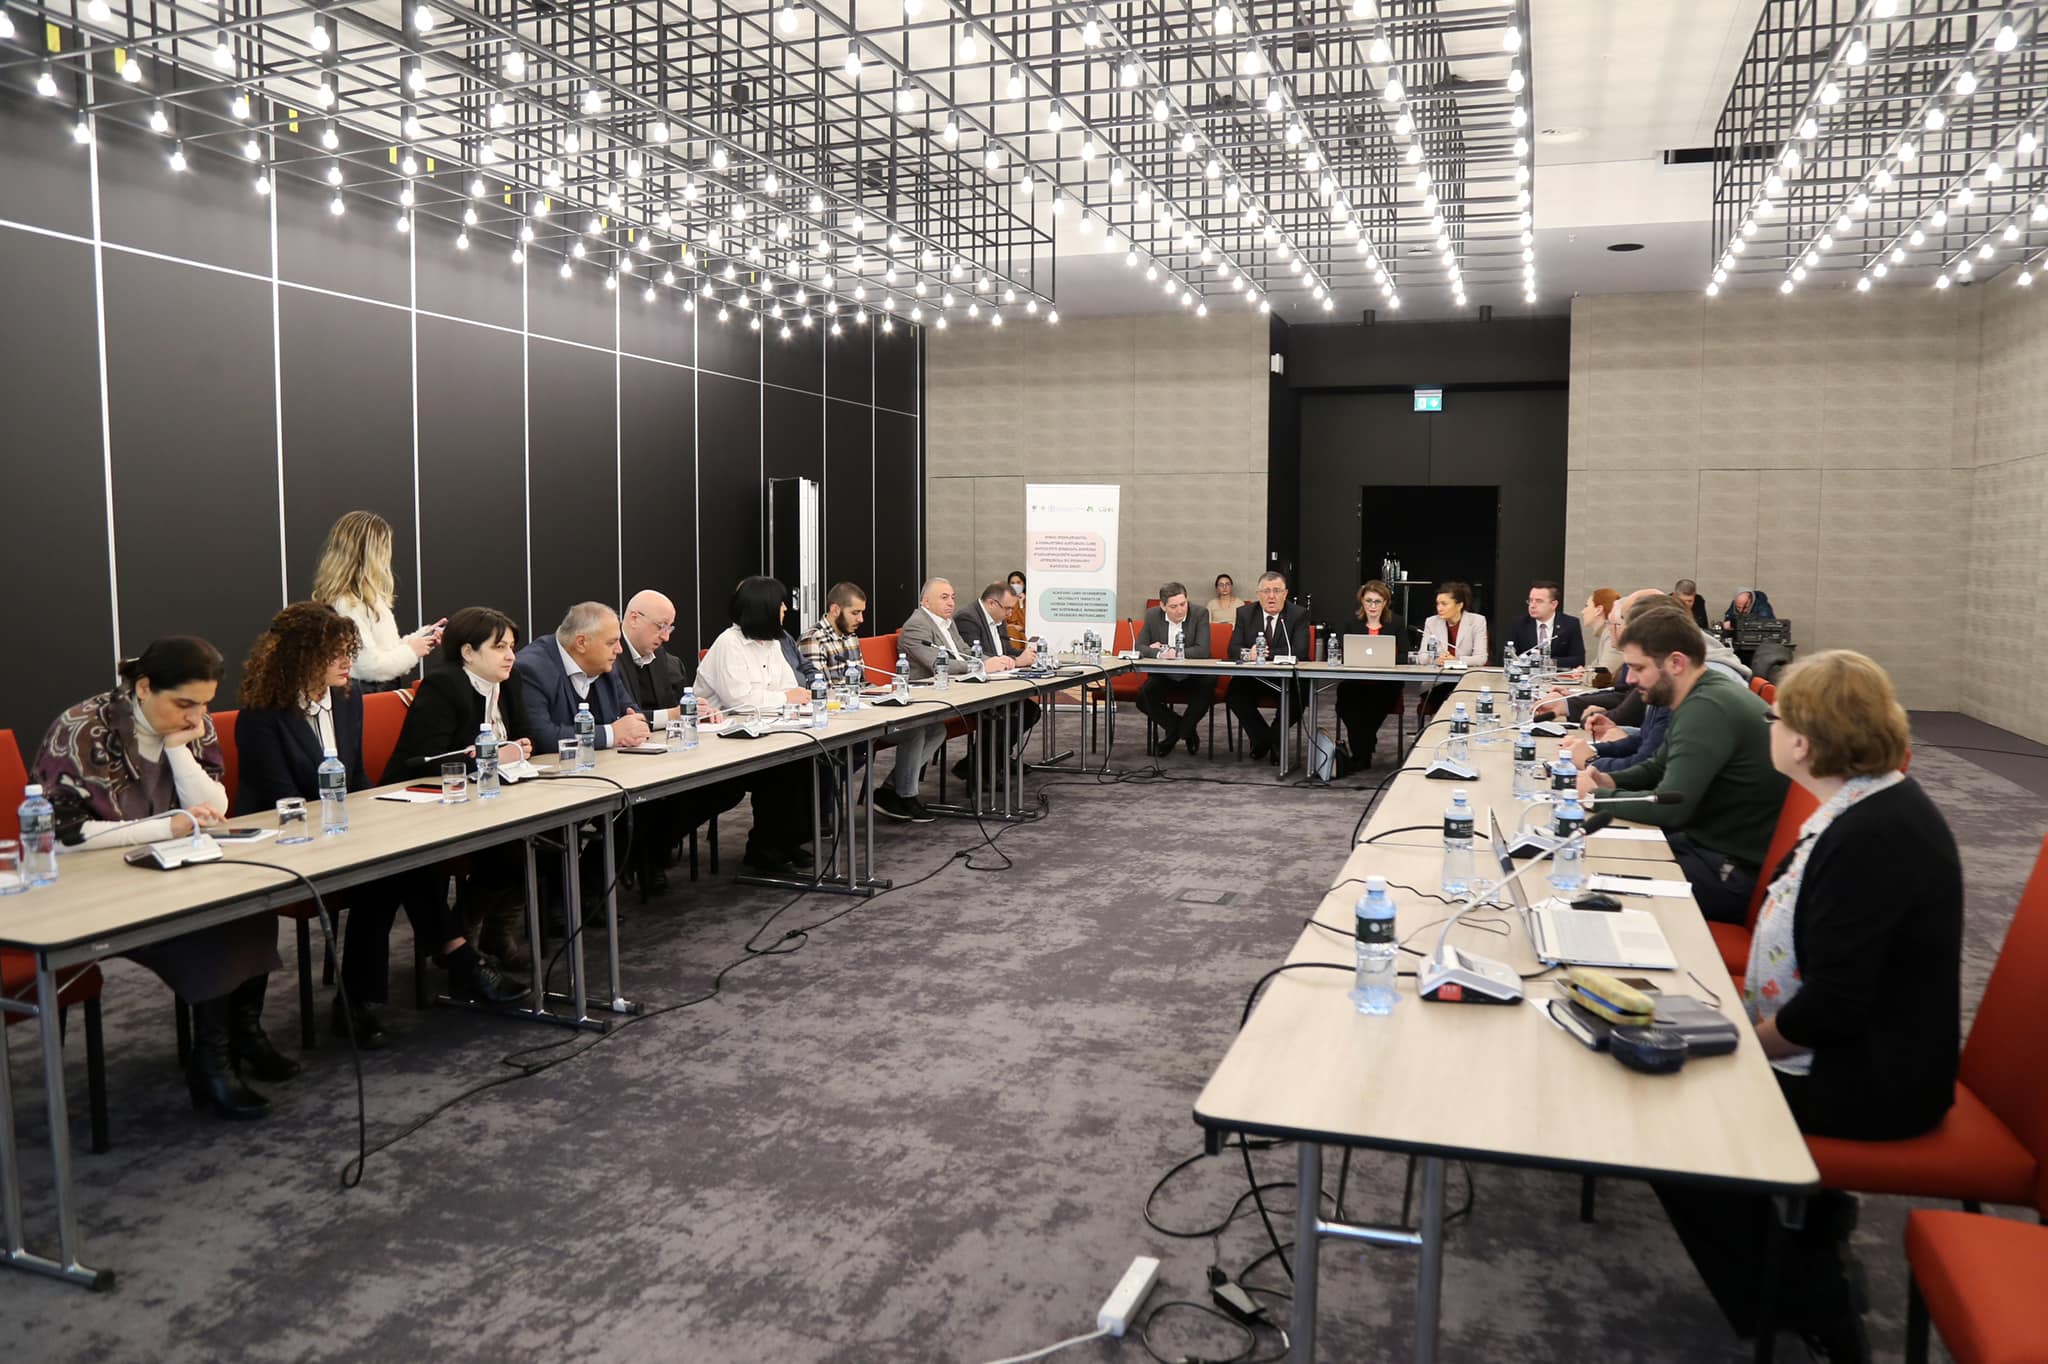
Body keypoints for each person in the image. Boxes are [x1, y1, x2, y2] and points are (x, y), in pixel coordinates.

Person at [1656, 650, 1958, 1364]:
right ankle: (1813, 1233)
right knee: (1672, 1053)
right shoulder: (1863, 807)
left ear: (1803, 742)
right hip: (1861, 1048)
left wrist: (1734, 1042)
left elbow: (1832, 1008)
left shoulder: (1872, 837)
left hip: (1875, 1078)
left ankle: (1812, 1300)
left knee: (1670, 1120)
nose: (1768, 725)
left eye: (1777, 717)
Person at [233, 603, 524, 1049]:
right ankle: (451, 959)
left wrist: (376, 817)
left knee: (393, 866)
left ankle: (360, 1000)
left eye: (348, 652)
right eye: (334, 654)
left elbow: (357, 780)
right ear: (300, 657)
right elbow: (282, 796)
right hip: (286, 837)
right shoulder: (262, 715)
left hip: (345, 825)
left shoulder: (346, 701)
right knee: (391, 869)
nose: (346, 663)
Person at [33, 637, 287, 1120]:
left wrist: (178, 749)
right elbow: (62, 836)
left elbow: (216, 806)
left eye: (204, 705)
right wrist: (166, 826)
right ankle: (211, 1065)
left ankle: (243, 1037)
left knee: (253, 905)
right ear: (145, 687)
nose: (196, 717)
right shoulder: (82, 729)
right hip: (94, 885)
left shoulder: (191, 724)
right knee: (213, 927)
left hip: (168, 868)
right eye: (184, 704)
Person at [1576, 607, 1788, 924]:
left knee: (1594, 879)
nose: (1630, 679)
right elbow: (1657, 767)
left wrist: (1596, 797)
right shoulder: (1699, 694)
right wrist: (1609, 781)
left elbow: (1670, 806)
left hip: (1732, 874)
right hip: (1707, 849)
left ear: (1676, 663)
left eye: (1638, 668)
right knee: (1594, 859)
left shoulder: (1707, 706)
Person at [386, 606, 538, 967]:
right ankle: (460, 938)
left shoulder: (509, 681)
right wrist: (489, 759)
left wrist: (520, 749)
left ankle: (491, 934)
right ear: (468, 652)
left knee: (547, 837)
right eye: (499, 647)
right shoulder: (445, 685)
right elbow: (424, 762)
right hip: (424, 804)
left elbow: (524, 738)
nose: (511, 656)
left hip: (491, 799)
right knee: (512, 849)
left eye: (512, 646)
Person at [693, 576, 817, 871]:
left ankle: (786, 842)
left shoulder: (772, 642)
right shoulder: (729, 644)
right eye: (781, 604)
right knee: (781, 770)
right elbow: (742, 701)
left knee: (803, 760)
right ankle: (764, 849)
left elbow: (790, 686)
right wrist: (784, 697)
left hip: (761, 732)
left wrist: (785, 696)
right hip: (721, 742)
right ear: (765, 607)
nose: (785, 609)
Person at [310, 510, 444, 692]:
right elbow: (369, 667)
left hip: (377, 692)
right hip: (367, 697)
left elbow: (386, 651)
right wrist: (412, 651)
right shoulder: (347, 604)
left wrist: (422, 639)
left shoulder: (366, 599)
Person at [513, 602, 652, 754]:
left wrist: (636, 728)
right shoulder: (533, 669)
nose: (619, 650)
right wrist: (611, 734)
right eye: (611, 643)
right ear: (581, 643)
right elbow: (541, 737)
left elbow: (633, 713)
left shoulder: (604, 665)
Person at [953, 581, 1041, 776]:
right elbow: (979, 658)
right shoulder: (967, 619)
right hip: (974, 689)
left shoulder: (998, 618)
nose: (1010, 614)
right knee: (1002, 715)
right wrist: (1017, 662)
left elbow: (1006, 650)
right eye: (1007, 608)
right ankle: (984, 770)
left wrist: (1029, 656)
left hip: (997, 686)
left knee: (1030, 711)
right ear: (992, 603)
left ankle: (994, 758)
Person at [1226, 571, 1310, 765]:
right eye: (1266, 591)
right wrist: (1248, 653)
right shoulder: (1245, 613)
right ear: (1258, 594)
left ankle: (1272, 740)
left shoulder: (1298, 614)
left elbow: (1300, 651)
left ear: (1285, 593)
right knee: (1234, 693)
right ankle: (1266, 740)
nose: (1271, 596)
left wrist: (1266, 653)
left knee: (1299, 695)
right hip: (1254, 678)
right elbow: (1233, 649)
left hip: (1287, 678)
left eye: (1277, 591)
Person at [1134, 582, 1213, 755]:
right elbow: (1139, 647)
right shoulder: (1152, 615)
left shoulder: (1200, 613)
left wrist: (1174, 652)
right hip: (1165, 675)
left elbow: (1203, 650)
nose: (1180, 610)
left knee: (1207, 686)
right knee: (1143, 697)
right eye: (1173, 606)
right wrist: (1159, 653)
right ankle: (1183, 729)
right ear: (1163, 606)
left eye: (1183, 604)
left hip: (1194, 675)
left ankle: (1175, 735)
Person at [1334, 579, 1405, 768]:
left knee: (1371, 706)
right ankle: (1365, 749)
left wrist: (1386, 659)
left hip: (1386, 683)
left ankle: (1361, 755)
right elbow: (1344, 653)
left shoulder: (1396, 623)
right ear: (1362, 602)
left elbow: (1404, 656)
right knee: (1346, 704)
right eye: (1368, 601)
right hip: (1356, 682)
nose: (1372, 606)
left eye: (1377, 601)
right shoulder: (1351, 623)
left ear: (1385, 603)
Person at [1418, 581, 1489, 716]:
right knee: (1443, 697)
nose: (1439, 608)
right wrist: (1436, 660)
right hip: (1437, 682)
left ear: (1459, 605)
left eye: (1444, 604)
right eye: (1438, 604)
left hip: (1466, 680)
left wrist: (1456, 660)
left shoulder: (1477, 621)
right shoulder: (1431, 622)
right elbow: (1422, 656)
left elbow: (1481, 658)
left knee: (1455, 697)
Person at [1505, 581, 1585, 668]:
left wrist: (1549, 662)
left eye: (1539, 601)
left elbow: (1579, 660)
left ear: (1553, 604)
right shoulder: (1519, 624)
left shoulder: (1570, 624)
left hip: (1557, 675)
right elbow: (1508, 657)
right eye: (1530, 600)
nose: (1532, 605)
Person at [1582, 588, 1625, 684]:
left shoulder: (1612, 635)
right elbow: (1594, 668)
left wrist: (1583, 675)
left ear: (1598, 610)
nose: (1583, 611)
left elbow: (1600, 678)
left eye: (1586, 606)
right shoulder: (1605, 634)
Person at [1004, 570, 1029, 651]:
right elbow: (1001, 621)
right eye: (1012, 583)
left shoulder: (1029, 600)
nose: (1016, 585)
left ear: (1024, 584)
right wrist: (1012, 627)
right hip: (1008, 634)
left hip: (1023, 635)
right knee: (1011, 630)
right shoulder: (1004, 600)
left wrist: (1021, 604)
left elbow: (1026, 624)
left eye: (1018, 582)